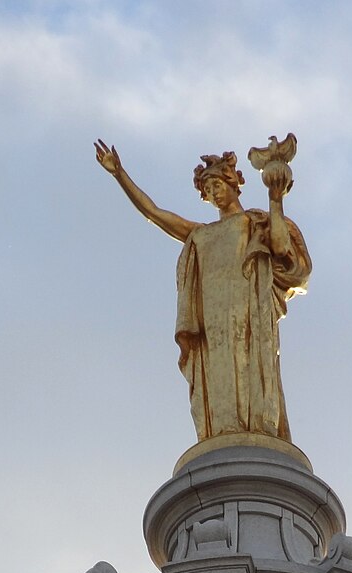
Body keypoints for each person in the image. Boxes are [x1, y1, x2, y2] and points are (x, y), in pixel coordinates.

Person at [94, 141, 311, 443]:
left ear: (233, 182)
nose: (213, 194)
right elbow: (154, 213)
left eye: (216, 185)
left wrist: (276, 199)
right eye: (207, 191)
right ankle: (221, 433)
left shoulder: (253, 222)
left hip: (247, 312)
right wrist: (120, 174)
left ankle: (257, 430)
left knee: (251, 373)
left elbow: (280, 247)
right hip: (210, 320)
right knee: (216, 378)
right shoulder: (201, 234)